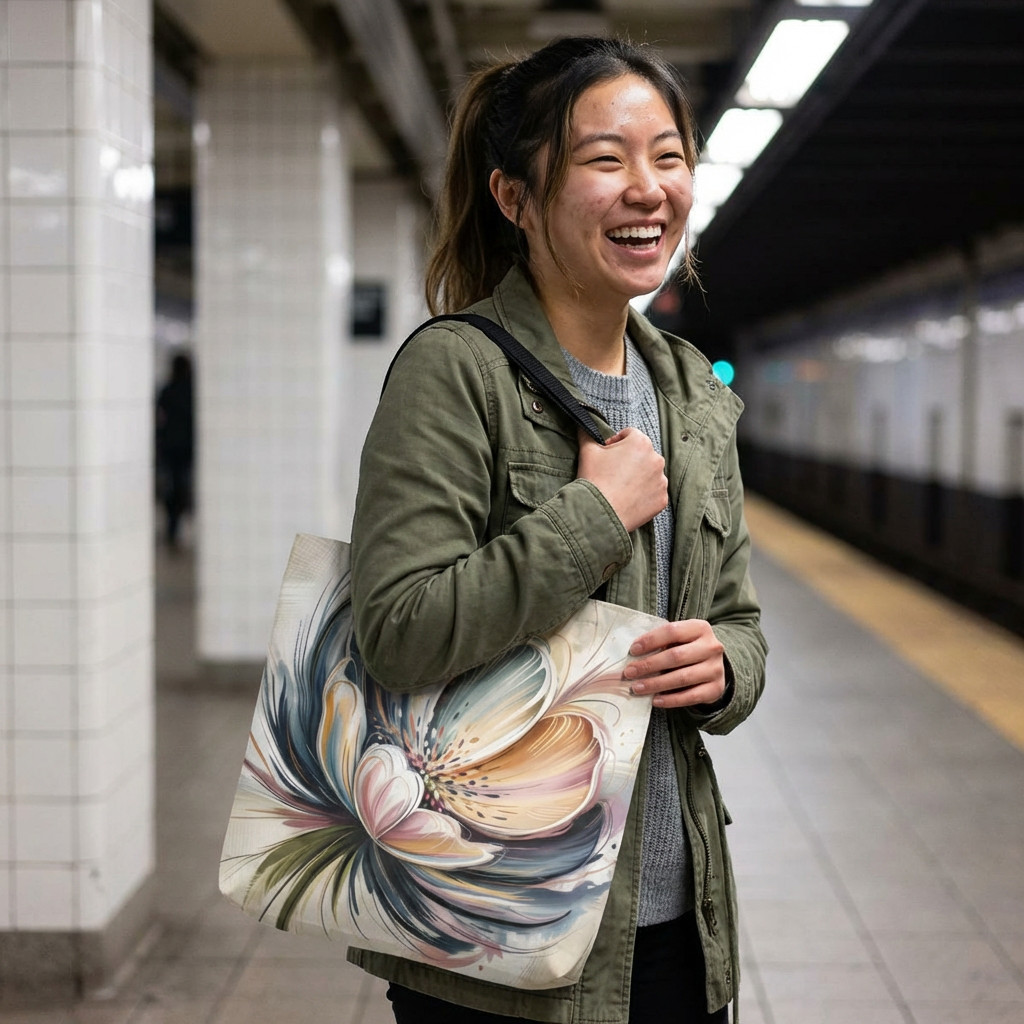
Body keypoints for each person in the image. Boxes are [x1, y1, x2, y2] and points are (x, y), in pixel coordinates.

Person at [349, 37, 767, 1024]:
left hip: (678, 925)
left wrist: (723, 669)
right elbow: (397, 630)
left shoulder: (694, 395)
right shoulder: (456, 372)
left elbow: (742, 624)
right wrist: (594, 516)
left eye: (668, 157)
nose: (648, 189)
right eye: (605, 159)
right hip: (497, 928)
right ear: (515, 197)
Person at [156, 353, 194, 549]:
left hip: (170, 449)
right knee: (181, 490)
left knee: (173, 491)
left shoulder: (168, 391)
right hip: (185, 450)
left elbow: (159, 420)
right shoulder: (191, 391)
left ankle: (173, 528)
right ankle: (176, 528)